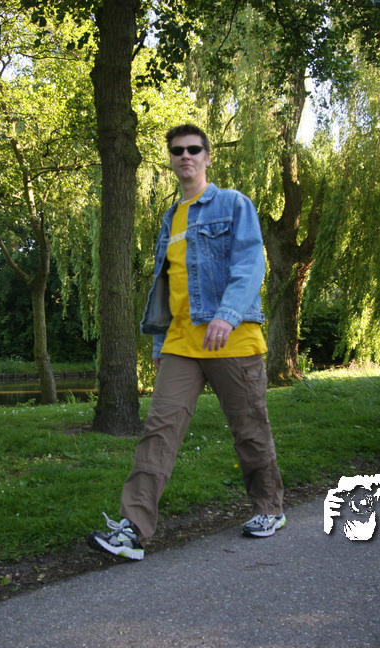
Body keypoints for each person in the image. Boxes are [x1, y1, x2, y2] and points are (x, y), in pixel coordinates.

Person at [87, 124, 285, 561]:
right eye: (177, 151)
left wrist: (227, 315)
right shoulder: (170, 218)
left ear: (208, 157)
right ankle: (133, 530)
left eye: (194, 149)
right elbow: (167, 286)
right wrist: (160, 344)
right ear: (171, 159)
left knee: (249, 431)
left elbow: (250, 263)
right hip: (180, 343)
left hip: (233, 340)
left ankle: (269, 508)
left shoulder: (233, 204)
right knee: (158, 432)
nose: (185, 156)